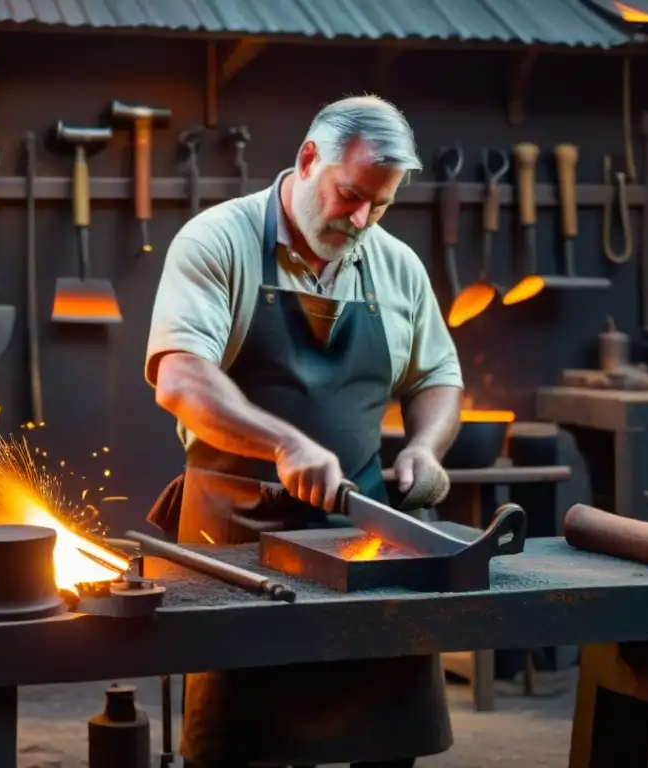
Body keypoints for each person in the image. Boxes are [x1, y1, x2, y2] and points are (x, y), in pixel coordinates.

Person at [145, 95, 464, 768]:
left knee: (385, 739)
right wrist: (284, 443)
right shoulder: (218, 240)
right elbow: (179, 378)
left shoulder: (395, 264)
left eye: (380, 206)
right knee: (244, 745)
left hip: (365, 537)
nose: (360, 220)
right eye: (350, 195)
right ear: (309, 158)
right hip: (238, 543)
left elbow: (437, 376)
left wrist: (425, 448)